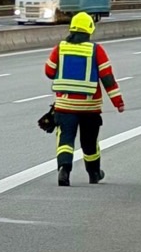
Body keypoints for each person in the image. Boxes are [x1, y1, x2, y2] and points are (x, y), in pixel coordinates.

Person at [45, 12, 125, 186]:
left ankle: (64, 170)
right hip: (90, 108)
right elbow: (107, 78)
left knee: (65, 139)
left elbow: (49, 71)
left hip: (65, 106)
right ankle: (94, 173)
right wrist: (118, 101)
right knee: (89, 142)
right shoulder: (96, 50)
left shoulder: (60, 48)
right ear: (89, 30)